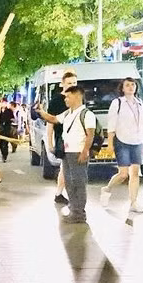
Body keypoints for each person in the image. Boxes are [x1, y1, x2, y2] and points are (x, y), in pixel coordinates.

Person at [36, 86, 96, 223]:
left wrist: (85, 151)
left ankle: (79, 213)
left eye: (68, 96)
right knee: (69, 183)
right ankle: (74, 210)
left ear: (77, 96)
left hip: (78, 152)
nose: (65, 99)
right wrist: (41, 112)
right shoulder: (68, 113)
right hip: (67, 153)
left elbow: (90, 134)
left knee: (78, 183)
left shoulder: (87, 114)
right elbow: (53, 119)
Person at [101, 77, 143, 213]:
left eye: (133, 85)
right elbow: (111, 124)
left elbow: (142, 123)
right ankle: (107, 189)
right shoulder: (117, 103)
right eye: (127, 85)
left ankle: (133, 203)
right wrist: (110, 143)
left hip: (137, 141)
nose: (130, 87)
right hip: (122, 140)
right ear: (122, 88)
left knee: (135, 173)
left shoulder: (139, 103)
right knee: (123, 174)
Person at [48, 71, 78, 205]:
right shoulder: (55, 101)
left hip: (77, 138)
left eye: (74, 83)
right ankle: (69, 196)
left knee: (66, 168)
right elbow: (50, 122)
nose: (72, 85)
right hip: (63, 139)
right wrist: (49, 143)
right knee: (68, 168)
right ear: (62, 84)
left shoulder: (79, 98)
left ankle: (59, 193)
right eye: (69, 83)